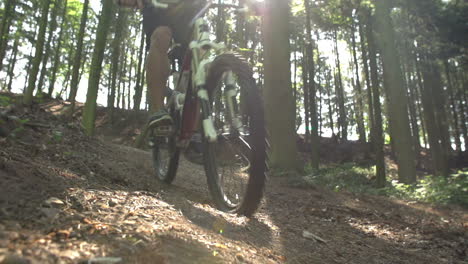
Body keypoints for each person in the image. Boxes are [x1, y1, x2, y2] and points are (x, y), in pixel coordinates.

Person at [117, 0, 262, 131]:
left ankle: (191, 117)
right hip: (158, 8)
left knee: (199, 51)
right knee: (161, 35)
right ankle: (157, 110)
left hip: (190, 9)